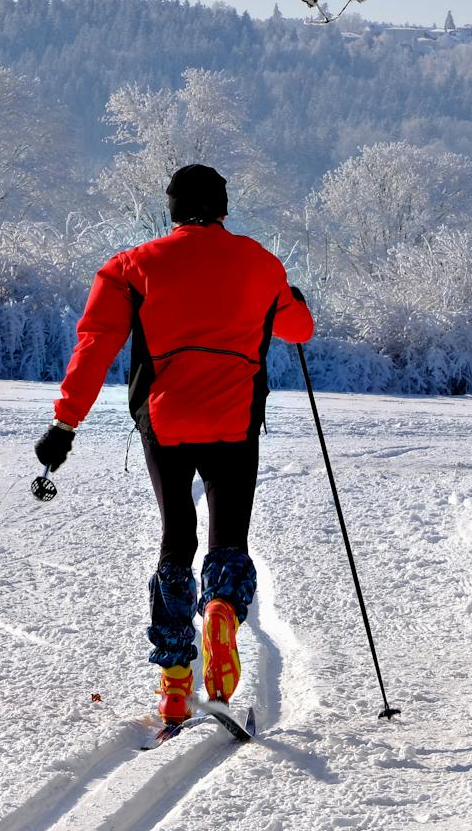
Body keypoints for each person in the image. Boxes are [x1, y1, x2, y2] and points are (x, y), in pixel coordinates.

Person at [34, 164, 313, 725]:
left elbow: (94, 345)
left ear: (172, 208)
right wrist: (294, 300)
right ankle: (221, 612)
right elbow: (298, 330)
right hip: (234, 419)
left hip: (163, 421)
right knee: (228, 537)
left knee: (175, 537)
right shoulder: (261, 263)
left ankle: (174, 682)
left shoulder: (131, 267)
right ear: (224, 207)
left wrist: (64, 426)